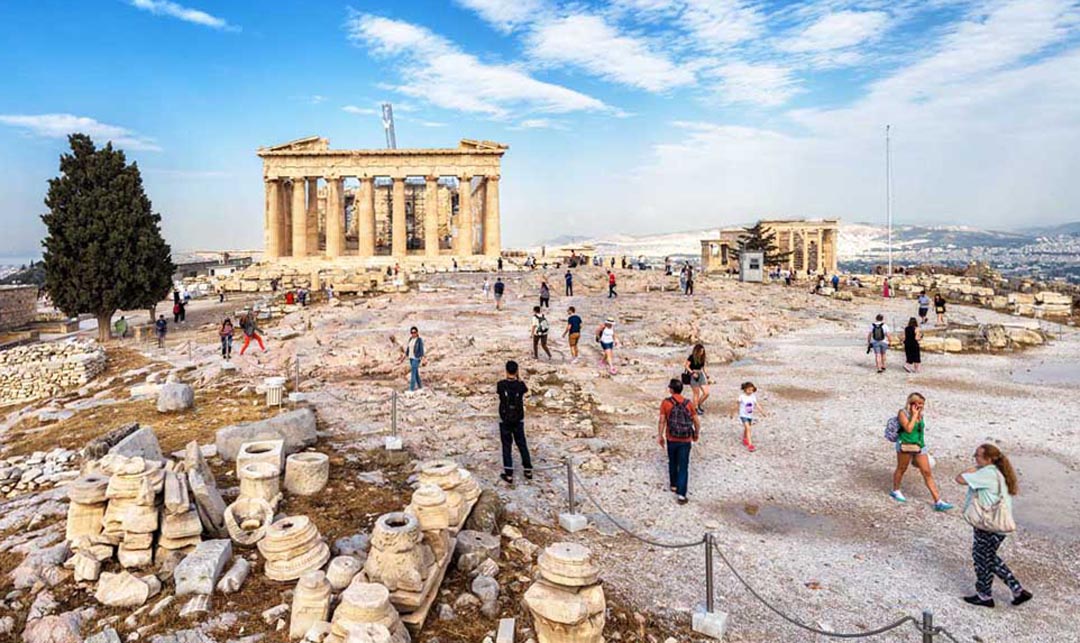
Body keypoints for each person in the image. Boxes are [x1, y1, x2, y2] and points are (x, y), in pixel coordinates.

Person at [954, 443, 1032, 608]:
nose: (975, 457)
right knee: (989, 558)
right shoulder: (998, 472)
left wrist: (974, 468)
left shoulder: (987, 474)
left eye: (977, 455)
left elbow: (959, 478)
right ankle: (1017, 590)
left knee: (982, 559)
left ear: (988, 459)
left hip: (988, 525)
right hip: (997, 526)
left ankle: (985, 596)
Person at [890, 393, 953, 511]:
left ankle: (938, 501)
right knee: (902, 468)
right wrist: (914, 415)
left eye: (922, 404)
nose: (921, 406)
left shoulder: (921, 415)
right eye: (918, 403)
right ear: (911, 403)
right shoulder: (903, 413)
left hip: (919, 446)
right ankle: (896, 490)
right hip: (905, 445)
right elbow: (908, 429)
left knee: (927, 472)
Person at [657, 378, 700, 504]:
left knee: (672, 461)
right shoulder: (688, 403)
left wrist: (660, 436)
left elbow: (662, 420)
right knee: (683, 465)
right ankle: (682, 494)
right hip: (686, 439)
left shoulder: (666, 403)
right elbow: (696, 421)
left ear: (671, 389)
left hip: (671, 437)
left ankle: (674, 485)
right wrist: (696, 433)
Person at [497, 360, 533, 484]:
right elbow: (525, 389)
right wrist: (518, 377)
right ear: (517, 371)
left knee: (506, 446)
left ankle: (509, 474)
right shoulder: (520, 385)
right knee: (522, 444)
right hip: (518, 419)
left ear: (506, 370)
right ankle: (528, 469)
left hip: (505, 420)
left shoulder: (501, 385)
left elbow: (500, 393)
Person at [735, 381, 764, 452]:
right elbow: (737, 405)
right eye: (749, 390)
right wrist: (732, 413)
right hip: (743, 415)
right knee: (748, 428)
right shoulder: (741, 397)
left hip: (749, 415)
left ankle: (745, 438)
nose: (750, 391)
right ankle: (750, 444)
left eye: (752, 390)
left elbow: (757, 404)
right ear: (745, 389)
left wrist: (762, 412)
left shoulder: (753, 397)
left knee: (747, 428)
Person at [397, 326, 426, 391]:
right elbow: (408, 350)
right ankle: (420, 386)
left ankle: (411, 389)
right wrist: (403, 358)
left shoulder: (419, 340)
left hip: (416, 358)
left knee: (413, 373)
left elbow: (421, 350)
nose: (413, 334)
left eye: (414, 332)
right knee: (416, 373)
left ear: (417, 332)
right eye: (412, 332)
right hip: (411, 358)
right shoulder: (410, 339)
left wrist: (423, 358)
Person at [684, 344, 710, 413]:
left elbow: (703, 368)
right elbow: (686, 366)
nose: (702, 353)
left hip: (700, 374)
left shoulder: (702, 358)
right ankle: (695, 409)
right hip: (693, 375)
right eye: (701, 351)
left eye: (703, 351)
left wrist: (706, 375)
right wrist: (692, 373)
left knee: (706, 393)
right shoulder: (691, 357)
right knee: (696, 393)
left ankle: (697, 405)